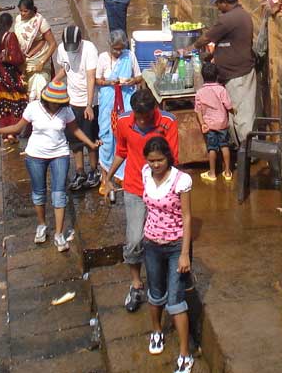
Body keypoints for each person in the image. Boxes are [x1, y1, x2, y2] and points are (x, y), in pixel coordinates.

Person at [0, 80, 100, 252]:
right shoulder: (33, 108)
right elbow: (18, 127)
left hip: (60, 154)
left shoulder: (66, 111)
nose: (55, 105)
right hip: (35, 155)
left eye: (59, 102)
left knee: (59, 194)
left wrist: (91, 143)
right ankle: (42, 224)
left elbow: (75, 130)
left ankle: (58, 234)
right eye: (53, 102)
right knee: (39, 192)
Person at [102, 88, 179, 314]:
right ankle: (136, 284)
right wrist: (107, 177)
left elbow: (173, 158)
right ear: (134, 112)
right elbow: (121, 151)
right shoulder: (125, 122)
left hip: (161, 190)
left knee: (162, 239)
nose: (143, 121)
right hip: (134, 187)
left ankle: (162, 282)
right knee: (135, 239)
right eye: (140, 116)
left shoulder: (168, 122)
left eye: (147, 116)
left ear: (154, 110)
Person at [139, 136, 195, 372]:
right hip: (151, 244)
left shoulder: (181, 180)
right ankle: (157, 331)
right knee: (155, 293)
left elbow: (187, 217)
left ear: (168, 158)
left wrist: (185, 254)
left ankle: (184, 354)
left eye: (159, 160)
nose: (155, 165)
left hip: (174, 246)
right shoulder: (145, 173)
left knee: (175, 301)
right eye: (151, 161)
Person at [192, 0, 256, 143]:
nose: (216, 6)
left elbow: (206, 38)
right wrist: (213, 54)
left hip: (238, 75)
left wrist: (190, 48)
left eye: (217, 3)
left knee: (242, 117)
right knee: (237, 114)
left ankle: (247, 153)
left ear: (224, 2)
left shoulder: (228, 19)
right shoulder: (240, 15)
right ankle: (241, 149)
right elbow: (230, 43)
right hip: (233, 73)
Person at [56, 25, 102, 190]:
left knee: (90, 138)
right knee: (74, 140)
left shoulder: (89, 49)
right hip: (71, 101)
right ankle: (80, 171)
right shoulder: (62, 49)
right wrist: (53, 83)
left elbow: (91, 77)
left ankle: (94, 170)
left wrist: (89, 105)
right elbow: (65, 68)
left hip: (89, 102)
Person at [96, 28, 142, 190]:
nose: (118, 51)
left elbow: (139, 77)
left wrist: (131, 81)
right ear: (109, 46)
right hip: (108, 106)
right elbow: (97, 80)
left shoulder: (129, 56)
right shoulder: (102, 58)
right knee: (107, 139)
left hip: (126, 104)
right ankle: (105, 177)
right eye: (115, 48)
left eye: (120, 48)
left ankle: (125, 175)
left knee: (126, 138)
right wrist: (110, 82)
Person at [0, 12, 27, 143]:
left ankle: (6, 133)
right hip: (8, 75)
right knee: (16, 103)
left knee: (2, 105)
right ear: (10, 24)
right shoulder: (10, 36)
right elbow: (16, 58)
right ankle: (12, 133)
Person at [194, 62, 233, 182]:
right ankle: (227, 172)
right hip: (222, 124)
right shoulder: (222, 89)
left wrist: (202, 124)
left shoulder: (200, 92)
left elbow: (198, 110)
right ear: (217, 76)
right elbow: (228, 106)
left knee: (212, 148)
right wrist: (233, 111)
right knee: (225, 146)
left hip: (209, 125)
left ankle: (212, 173)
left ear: (202, 76)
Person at [16, 0, 57, 95]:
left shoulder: (40, 22)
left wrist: (42, 62)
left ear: (31, 10)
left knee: (39, 89)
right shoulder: (18, 19)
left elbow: (53, 44)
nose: (22, 13)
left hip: (38, 62)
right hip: (24, 62)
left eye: (25, 11)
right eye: (21, 11)